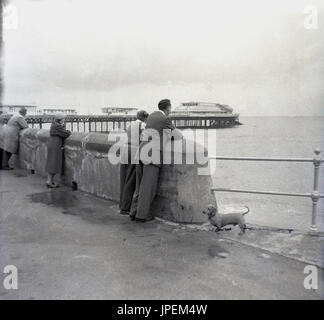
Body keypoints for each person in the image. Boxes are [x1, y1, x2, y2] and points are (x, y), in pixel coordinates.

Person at [132, 99, 183, 222]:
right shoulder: (165, 119)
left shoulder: (151, 117)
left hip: (141, 150)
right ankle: (142, 216)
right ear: (168, 108)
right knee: (148, 186)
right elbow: (178, 135)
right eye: (170, 108)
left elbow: (159, 132)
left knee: (139, 185)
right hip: (152, 154)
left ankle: (133, 212)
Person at [119, 110, 148, 216]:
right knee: (131, 179)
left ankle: (122, 205)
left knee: (124, 178)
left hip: (126, 149)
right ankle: (125, 208)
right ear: (145, 117)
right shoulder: (143, 125)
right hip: (134, 150)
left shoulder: (130, 124)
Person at [45, 113, 71, 188]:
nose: (64, 120)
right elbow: (66, 134)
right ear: (60, 119)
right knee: (54, 164)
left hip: (53, 144)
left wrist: (63, 125)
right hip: (55, 145)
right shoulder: (57, 126)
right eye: (63, 119)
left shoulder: (54, 125)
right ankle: (49, 182)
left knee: (52, 163)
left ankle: (50, 181)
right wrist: (68, 131)